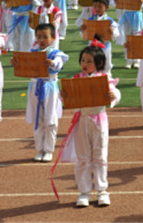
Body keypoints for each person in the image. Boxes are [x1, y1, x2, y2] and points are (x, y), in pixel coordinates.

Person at [57, 42, 121, 207]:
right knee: (83, 157)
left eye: (89, 61)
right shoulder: (76, 79)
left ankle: (102, 191)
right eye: (83, 61)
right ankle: (83, 192)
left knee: (99, 157)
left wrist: (112, 95)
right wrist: (63, 94)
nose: (84, 64)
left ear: (99, 64)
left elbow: (115, 92)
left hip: (99, 120)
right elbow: (65, 97)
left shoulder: (103, 79)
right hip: (82, 121)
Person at [14, 23, 68, 163]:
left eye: (45, 37)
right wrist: (17, 63)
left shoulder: (56, 53)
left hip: (49, 87)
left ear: (53, 37)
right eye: (39, 36)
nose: (41, 40)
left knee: (50, 119)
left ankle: (48, 149)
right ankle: (40, 148)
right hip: (35, 86)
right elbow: (24, 65)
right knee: (38, 118)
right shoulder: (33, 51)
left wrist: (53, 64)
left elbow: (59, 63)